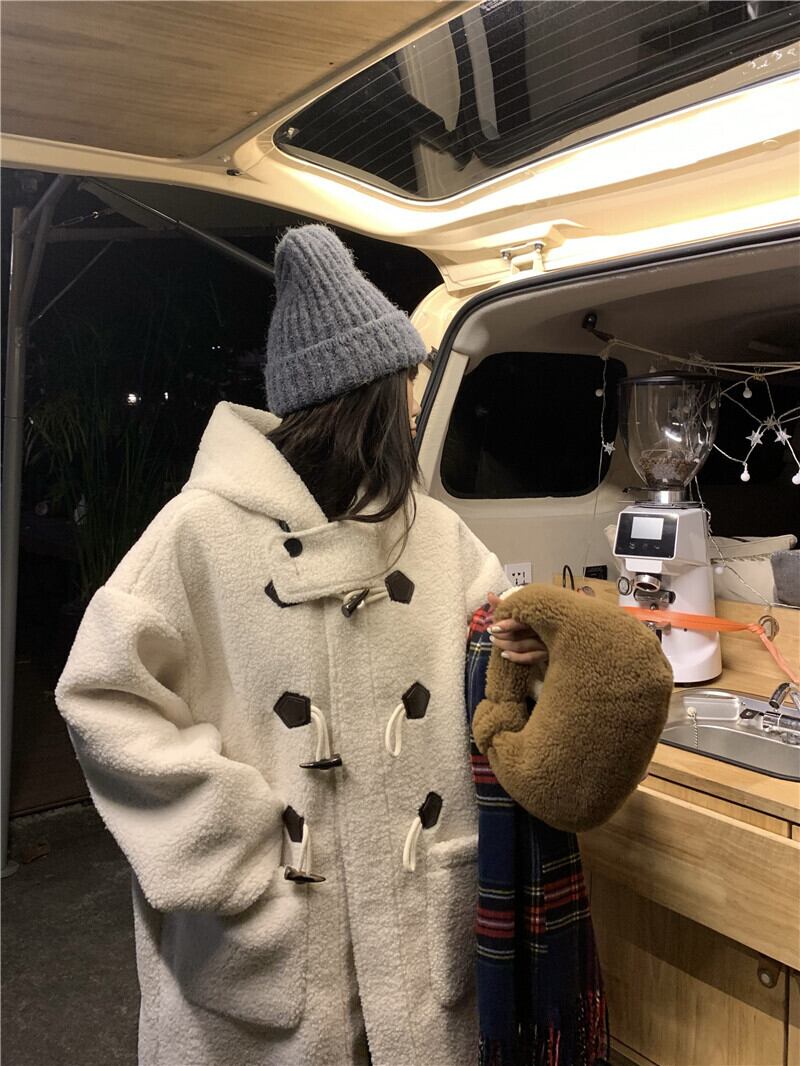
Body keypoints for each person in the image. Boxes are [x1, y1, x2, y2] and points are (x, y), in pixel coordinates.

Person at [55, 224, 545, 1066]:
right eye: (404, 387)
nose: (415, 408)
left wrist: (533, 651)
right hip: (261, 949)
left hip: (418, 934)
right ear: (363, 400)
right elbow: (104, 696)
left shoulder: (435, 537)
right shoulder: (199, 534)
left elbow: (495, 668)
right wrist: (234, 853)